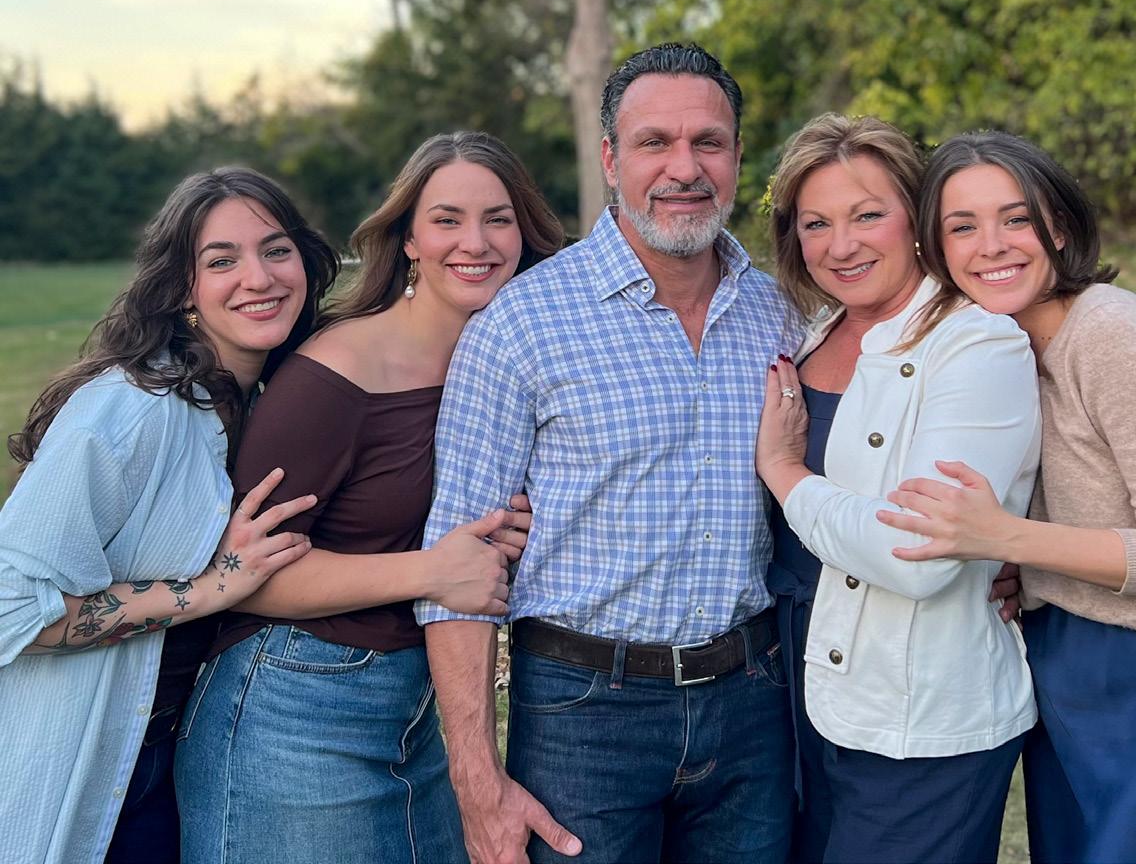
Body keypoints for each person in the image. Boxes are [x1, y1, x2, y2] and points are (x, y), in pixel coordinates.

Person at [414, 43, 804, 864]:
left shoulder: (780, 314)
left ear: (738, 156)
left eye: (708, 142)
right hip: (584, 712)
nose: (684, 168)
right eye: (654, 142)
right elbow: (460, 572)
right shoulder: (522, 325)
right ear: (610, 159)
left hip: (752, 702)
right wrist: (477, 783)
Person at [174, 131, 564, 864]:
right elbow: (246, 577)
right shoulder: (335, 375)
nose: (475, 242)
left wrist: (514, 530)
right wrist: (432, 571)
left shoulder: (510, 366)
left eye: (498, 219)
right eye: (446, 220)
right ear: (409, 239)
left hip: (411, 717)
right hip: (296, 714)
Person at [881, 130, 1136, 863]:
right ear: (936, 249)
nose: (992, 246)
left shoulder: (1113, 334)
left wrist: (1008, 538)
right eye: (962, 227)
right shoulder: (1001, 348)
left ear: (1058, 227)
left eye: (1016, 218)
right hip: (1062, 663)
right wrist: (1025, 565)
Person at [0, 167, 339, 864]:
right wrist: (210, 588)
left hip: (195, 752)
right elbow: (10, 608)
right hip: (103, 766)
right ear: (184, 288)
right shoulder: (132, 411)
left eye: (276, 250)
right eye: (222, 260)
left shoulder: (267, 399)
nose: (259, 277)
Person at [755, 113, 1041, 863]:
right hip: (800, 686)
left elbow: (918, 551)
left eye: (867, 215)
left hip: (917, 712)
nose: (841, 245)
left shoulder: (975, 342)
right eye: (816, 224)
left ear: (916, 219)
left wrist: (786, 473)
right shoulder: (814, 331)